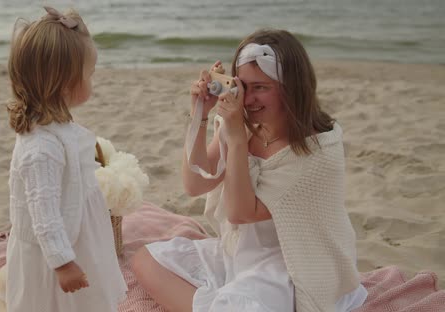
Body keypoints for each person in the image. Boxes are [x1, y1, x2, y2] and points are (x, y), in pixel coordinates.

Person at [131, 29, 368, 312]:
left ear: (291, 87)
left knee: (239, 303)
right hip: (240, 251)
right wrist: (201, 114)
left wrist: (236, 139)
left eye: (261, 87)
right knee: (146, 260)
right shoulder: (242, 124)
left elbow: (240, 212)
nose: (249, 99)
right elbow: (195, 183)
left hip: (293, 263)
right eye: (243, 86)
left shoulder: (316, 150)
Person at [3, 6, 126, 312]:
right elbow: (43, 214)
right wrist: (62, 264)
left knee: (87, 298)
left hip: (77, 232)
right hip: (55, 251)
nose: (93, 80)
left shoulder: (57, 127)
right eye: (90, 74)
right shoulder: (40, 149)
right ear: (64, 83)